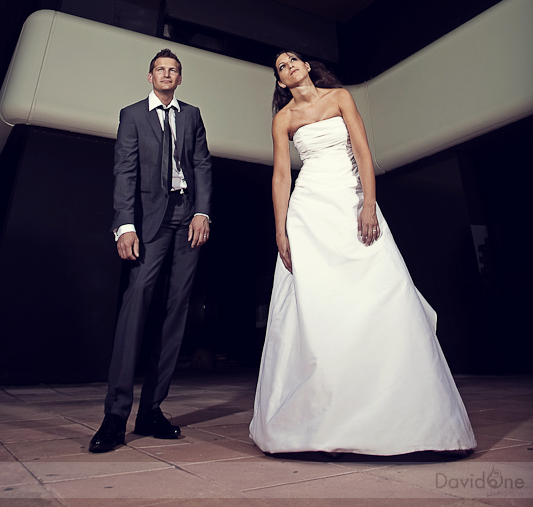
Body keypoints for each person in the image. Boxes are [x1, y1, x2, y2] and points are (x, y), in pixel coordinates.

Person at [249, 51, 476, 456]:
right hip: (309, 211)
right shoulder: (282, 119)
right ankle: (317, 417)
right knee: (317, 304)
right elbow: (282, 175)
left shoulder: (340, 98)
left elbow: (362, 151)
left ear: (306, 66)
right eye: (281, 66)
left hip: (349, 200)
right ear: (280, 82)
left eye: (293, 60)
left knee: (383, 290)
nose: (289, 66)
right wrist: (279, 229)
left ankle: (405, 416)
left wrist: (368, 202)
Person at [89, 49, 212, 453]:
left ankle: (151, 410)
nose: (166, 74)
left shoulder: (191, 114)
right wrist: (124, 224)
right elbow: (124, 170)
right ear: (150, 77)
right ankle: (115, 415)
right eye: (160, 69)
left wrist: (202, 213)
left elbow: (202, 164)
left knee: (177, 310)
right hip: (149, 222)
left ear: (179, 78)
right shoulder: (132, 115)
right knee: (136, 303)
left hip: (186, 217)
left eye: (173, 70)